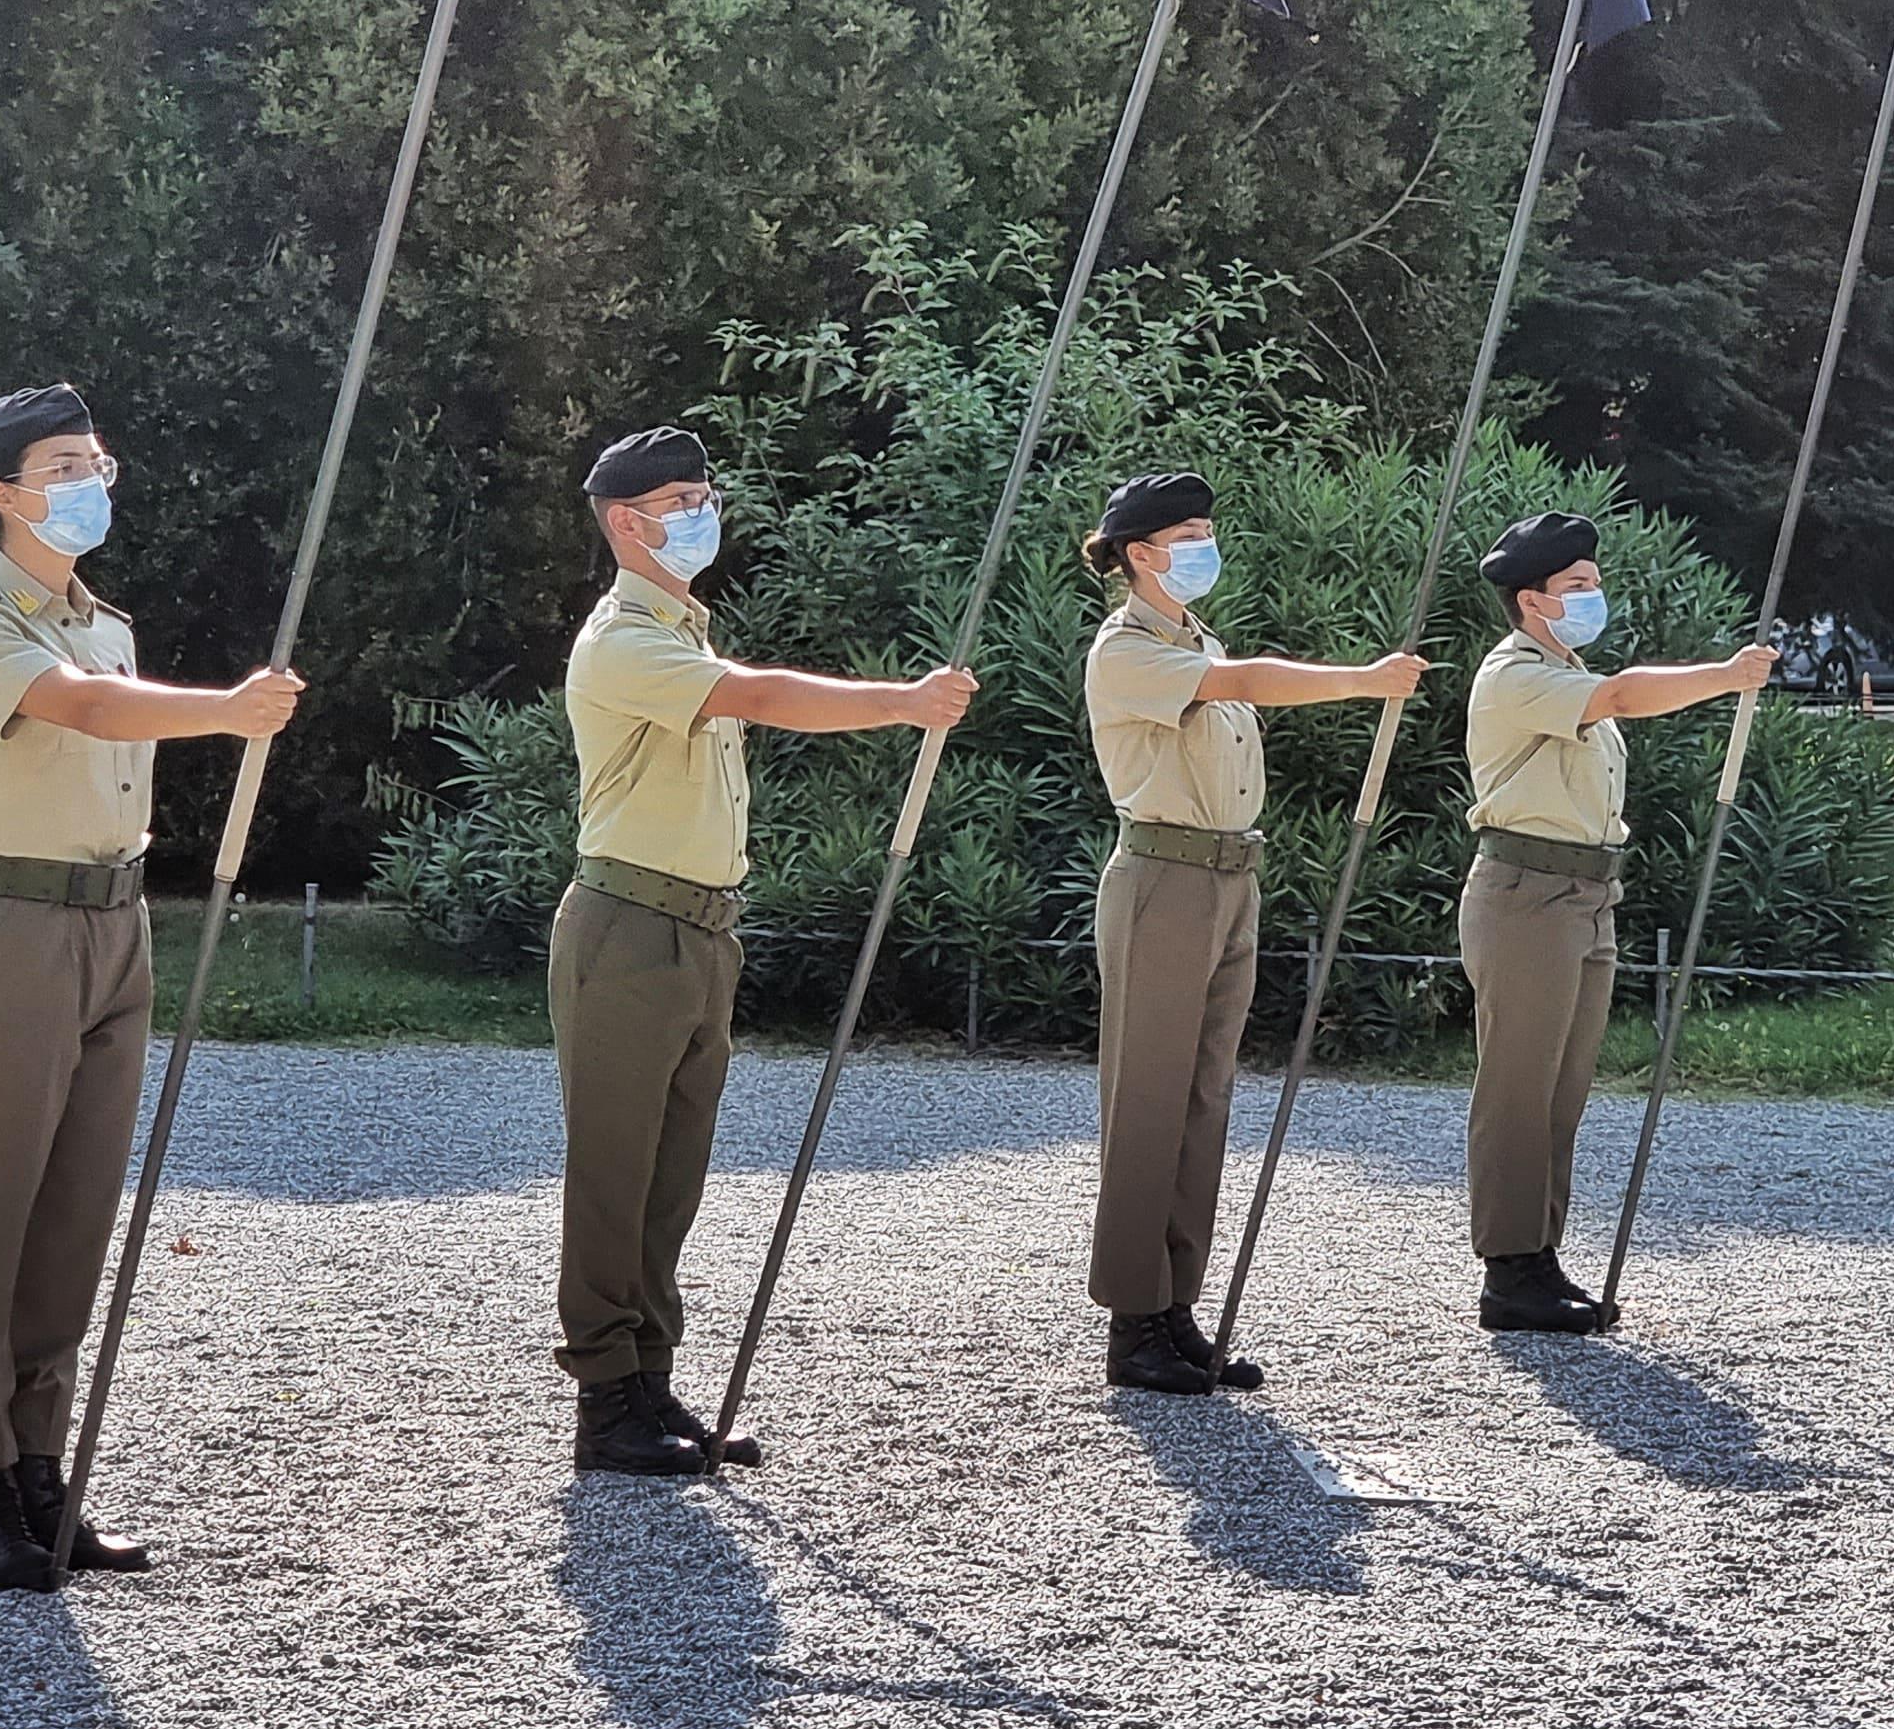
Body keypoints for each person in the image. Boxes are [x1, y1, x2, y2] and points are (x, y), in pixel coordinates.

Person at [0, 383, 305, 1589]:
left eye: (96, 461)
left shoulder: (109, 623)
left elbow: (108, 686)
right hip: (13, 928)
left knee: (74, 1217)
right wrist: (227, 715)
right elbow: (83, 710)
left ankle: (43, 1471)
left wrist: (219, 718)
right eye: (60, 466)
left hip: (113, 927)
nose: (87, 482)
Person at [551, 426, 975, 1475]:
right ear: (626, 522)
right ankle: (606, 1400)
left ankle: (651, 1380)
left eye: (705, 494)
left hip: (698, 930)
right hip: (629, 927)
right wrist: (900, 703)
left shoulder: (684, 632)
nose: (703, 513)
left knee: (671, 1175)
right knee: (616, 1173)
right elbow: (764, 696)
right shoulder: (624, 639)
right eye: (681, 500)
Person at [1079, 471, 1428, 1395]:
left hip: (1229, 879)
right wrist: (1361, 680)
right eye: (1187, 534)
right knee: (1148, 1103)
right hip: (1164, 878)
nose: (1203, 547)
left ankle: (1175, 1304)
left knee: (1201, 1101)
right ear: (1141, 554)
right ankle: (1133, 1318)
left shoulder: (1198, 638)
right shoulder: (1128, 649)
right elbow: (1247, 684)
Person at [1459, 511, 1775, 1333]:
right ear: (1532, 600)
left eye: (1595, 583)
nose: (1593, 596)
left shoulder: (1561, 666)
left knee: (1560, 1092)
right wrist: (1728, 673)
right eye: (1577, 587)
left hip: (1586, 895)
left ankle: (1538, 1253)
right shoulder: (1517, 673)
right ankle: (1507, 1268)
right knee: (1519, 1090)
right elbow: (1628, 696)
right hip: (1528, 892)